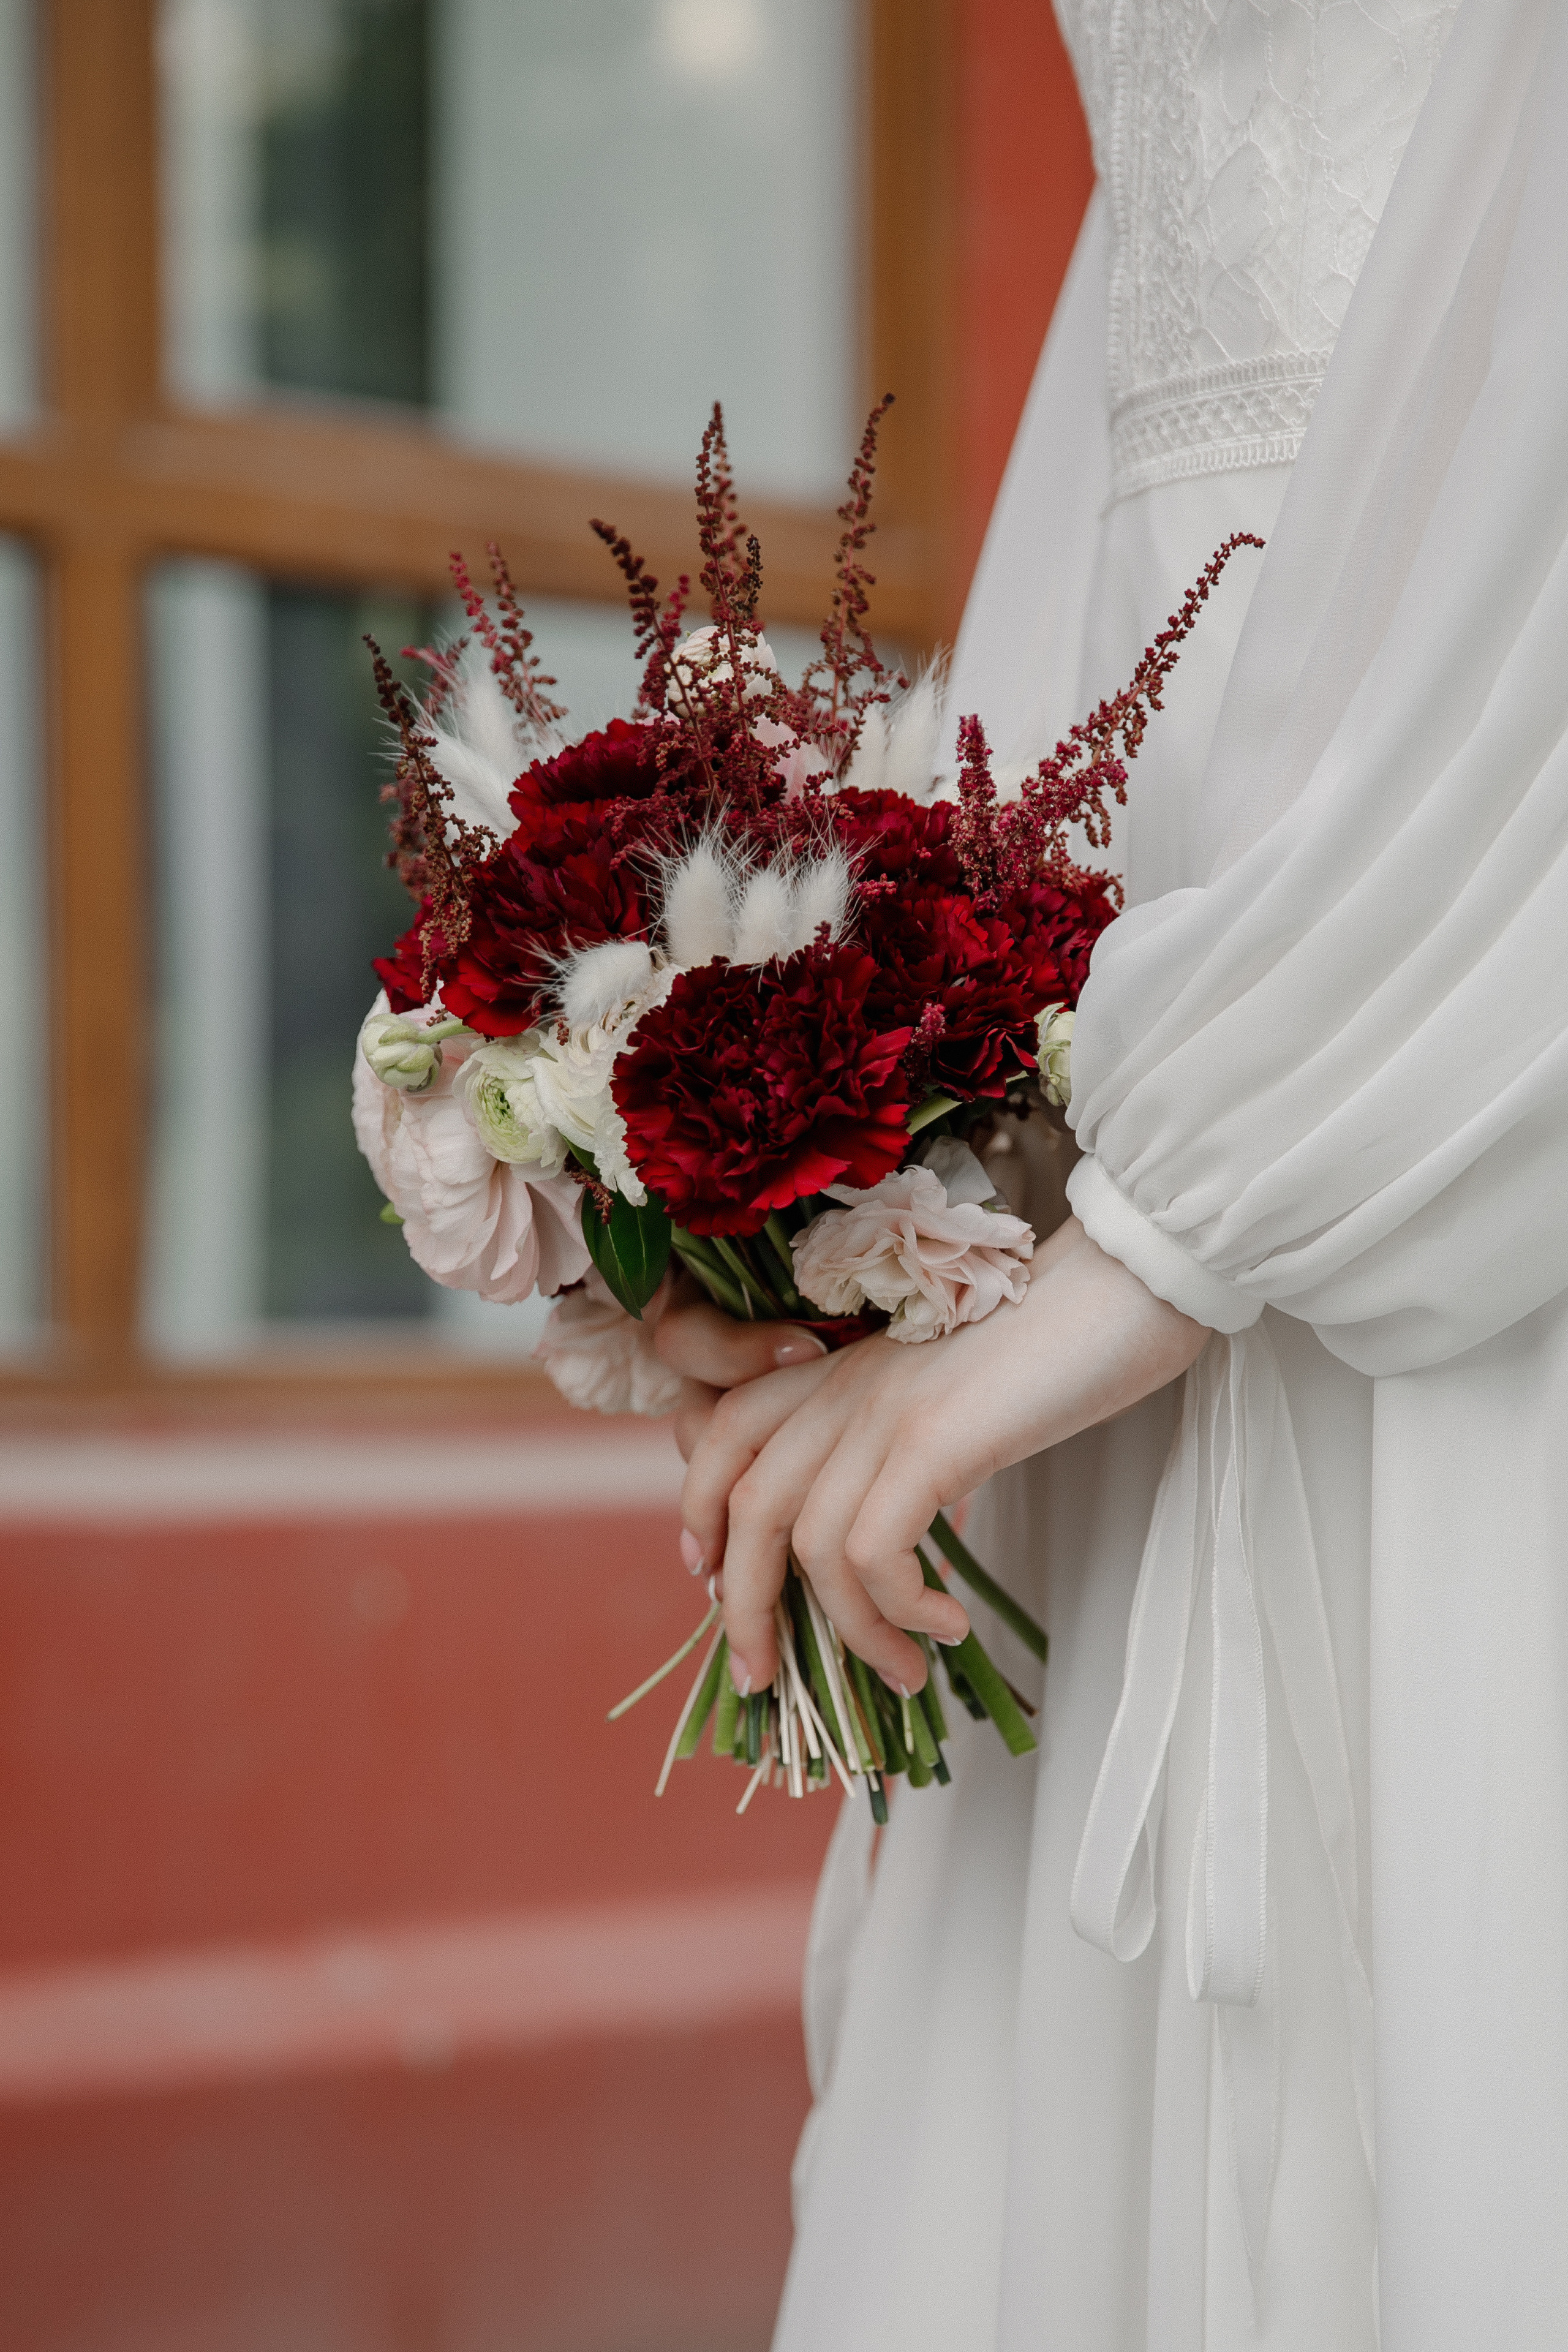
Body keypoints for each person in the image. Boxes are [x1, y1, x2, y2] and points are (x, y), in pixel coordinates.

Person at [657, 2, 1568, 2344]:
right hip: (1142, 1152)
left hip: (1477, 1111)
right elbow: (1140, 368)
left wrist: (1165, 1231)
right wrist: (886, 1164)